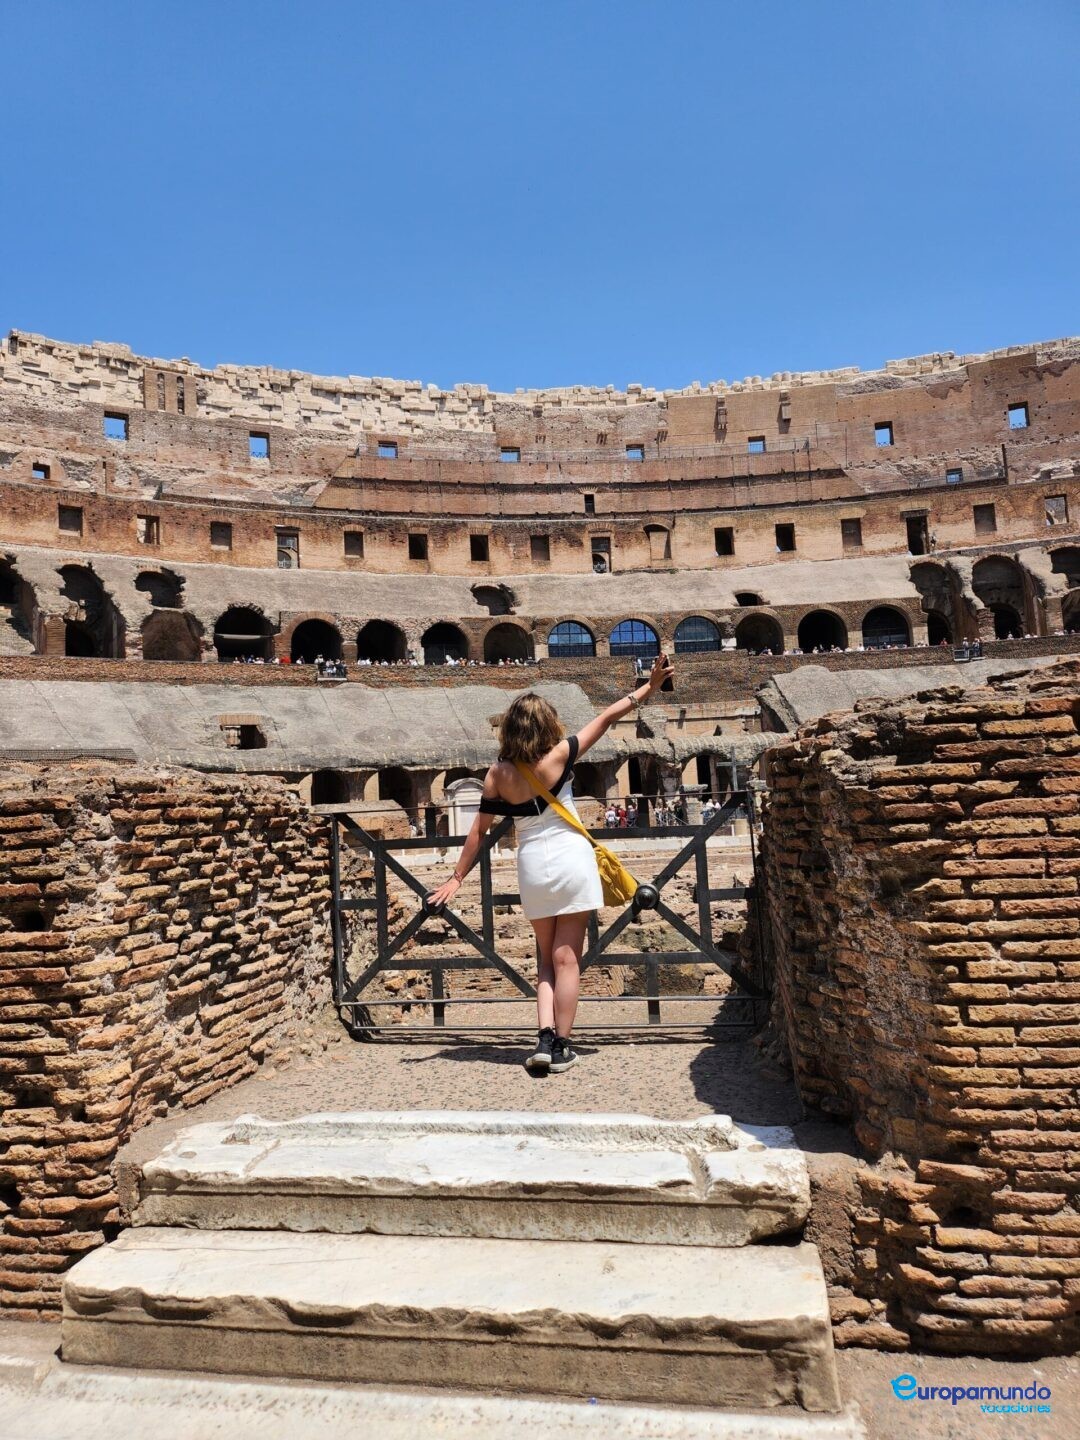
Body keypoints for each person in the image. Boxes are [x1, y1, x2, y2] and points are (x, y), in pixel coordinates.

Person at [427, 652, 675, 1074]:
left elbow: (478, 831)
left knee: (545, 959)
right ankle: (562, 1045)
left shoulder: (496, 775)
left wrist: (455, 877)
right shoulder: (561, 754)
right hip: (571, 858)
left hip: (532, 865)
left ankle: (542, 1038)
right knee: (568, 959)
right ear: (547, 725)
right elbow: (609, 717)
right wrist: (649, 688)